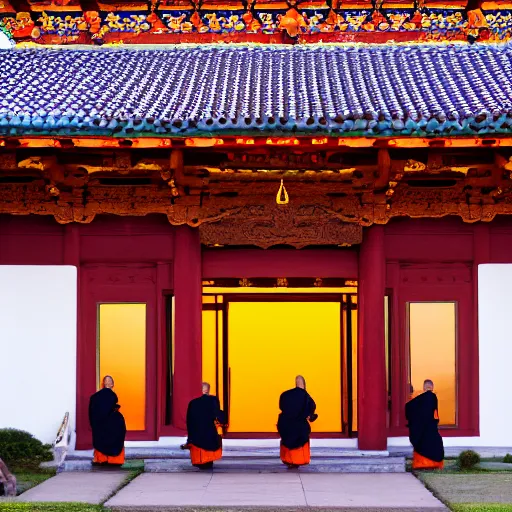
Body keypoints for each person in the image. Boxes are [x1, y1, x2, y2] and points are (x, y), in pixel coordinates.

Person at [182, 382, 226, 470]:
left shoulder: (192, 403)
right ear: (208, 390)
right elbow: (217, 414)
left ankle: (200, 461)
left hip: (196, 436)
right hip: (210, 435)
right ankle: (208, 461)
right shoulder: (213, 400)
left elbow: (189, 420)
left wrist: (189, 438)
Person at [277, 375, 318, 469]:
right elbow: (310, 410)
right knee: (300, 439)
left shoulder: (285, 395)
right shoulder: (305, 397)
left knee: (287, 441)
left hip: (285, 424)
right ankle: (297, 461)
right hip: (299, 427)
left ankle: (288, 460)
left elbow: (281, 407)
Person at [405, 379, 444, 470]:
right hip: (431, 427)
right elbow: (435, 414)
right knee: (436, 443)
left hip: (420, 428)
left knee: (421, 442)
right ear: (432, 387)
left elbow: (408, 407)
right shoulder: (433, 397)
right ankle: (434, 464)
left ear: (424, 387)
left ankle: (421, 464)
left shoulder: (418, 399)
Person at [88, 375, 126, 466]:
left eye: (110, 381)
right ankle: (110, 459)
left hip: (106, 422)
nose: (108, 382)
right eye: (106, 381)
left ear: (112, 384)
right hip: (106, 422)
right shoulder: (98, 397)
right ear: (103, 384)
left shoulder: (97, 397)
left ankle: (105, 459)